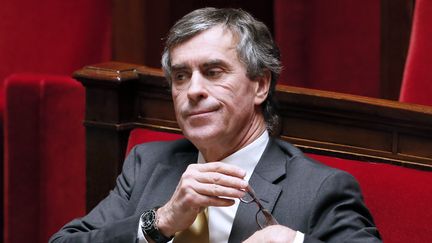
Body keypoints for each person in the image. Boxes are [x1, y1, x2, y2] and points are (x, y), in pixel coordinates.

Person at [50, 7, 381, 243]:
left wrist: (294, 241)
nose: (192, 91)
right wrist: (159, 223)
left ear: (260, 85)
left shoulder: (321, 188)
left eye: (213, 72)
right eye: (181, 76)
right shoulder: (147, 164)